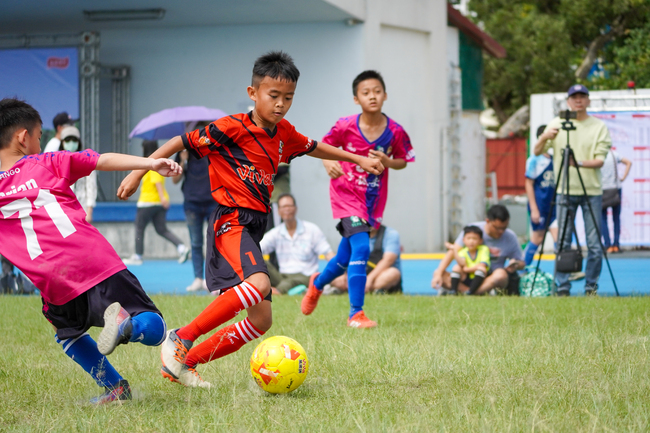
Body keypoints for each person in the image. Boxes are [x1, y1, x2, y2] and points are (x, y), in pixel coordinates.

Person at [116, 51, 384, 388]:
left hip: (256, 224)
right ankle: (179, 338)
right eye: (273, 96)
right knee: (259, 285)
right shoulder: (230, 128)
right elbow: (177, 142)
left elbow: (315, 147)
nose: (281, 104)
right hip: (232, 221)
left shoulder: (284, 133)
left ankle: (186, 363)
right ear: (252, 93)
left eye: (288, 98)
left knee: (261, 321)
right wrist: (139, 171)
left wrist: (356, 158)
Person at [0, 98, 176, 404]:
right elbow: (101, 160)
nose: (41, 143)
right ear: (22, 137)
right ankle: (128, 326)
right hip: (92, 259)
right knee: (155, 325)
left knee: (68, 334)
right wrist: (149, 164)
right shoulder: (46, 162)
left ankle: (116, 389)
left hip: (51, 278)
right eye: (39, 136)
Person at [301, 70, 415, 328]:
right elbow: (323, 147)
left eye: (376, 91)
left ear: (385, 95)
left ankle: (317, 283)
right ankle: (356, 314)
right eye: (365, 93)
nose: (372, 96)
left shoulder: (395, 131)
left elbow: (403, 162)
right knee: (362, 248)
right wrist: (328, 163)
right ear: (356, 99)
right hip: (346, 195)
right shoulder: (345, 125)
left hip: (373, 201)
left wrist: (388, 162)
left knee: (344, 259)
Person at [533, 84, 612, 296]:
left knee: (594, 244)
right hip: (564, 190)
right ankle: (563, 287)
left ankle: (590, 286)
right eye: (574, 97)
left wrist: (577, 164)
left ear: (588, 100)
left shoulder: (598, 127)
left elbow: (599, 161)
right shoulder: (557, 123)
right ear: (568, 101)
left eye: (582, 96)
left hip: (591, 191)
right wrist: (544, 137)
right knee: (563, 242)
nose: (578, 100)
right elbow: (537, 151)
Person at [431, 204, 524, 295]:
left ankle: (470, 293)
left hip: (490, 277)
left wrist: (515, 264)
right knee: (440, 273)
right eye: (497, 228)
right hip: (468, 274)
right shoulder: (473, 230)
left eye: (504, 228)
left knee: (500, 275)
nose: (501, 232)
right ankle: (471, 292)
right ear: (487, 221)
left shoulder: (510, 236)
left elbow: (522, 263)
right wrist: (439, 272)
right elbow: (453, 251)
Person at [123, 140, 189, 265]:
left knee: (139, 227)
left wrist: (162, 197)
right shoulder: (158, 162)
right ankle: (181, 247)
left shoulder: (151, 164)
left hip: (148, 202)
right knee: (161, 229)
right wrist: (163, 198)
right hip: (159, 202)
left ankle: (137, 255)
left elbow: (157, 182)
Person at [260, 193, 334, 294]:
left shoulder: (311, 229)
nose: (287, 209)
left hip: (307, 276)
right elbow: (258, 248)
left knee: (295, 280)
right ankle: (289, 289)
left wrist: (338, 269)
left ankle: (278, 291)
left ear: (295, 208)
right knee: (257, 259)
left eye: (289, 206)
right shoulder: (276, 233)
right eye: (283, 207)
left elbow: (328, 253)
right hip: (283, 276)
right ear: (278, 211)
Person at [172, 134, 218, 292]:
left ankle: (212, 279)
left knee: (214, 242)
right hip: (192, 203)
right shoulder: (184, 150)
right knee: (196, 242)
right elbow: (175, 180)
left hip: (212, 201)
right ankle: (198, 278)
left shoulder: (213, 149)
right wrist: (183, 160)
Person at [327, 224, 403, 295]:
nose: (370, 221)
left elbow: (388, 260)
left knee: (393, 273)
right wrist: (347, 276)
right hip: (355, 275)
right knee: (333, 273)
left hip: (376, 276)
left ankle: (367, 289)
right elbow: (343, 258)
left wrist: (369, 279)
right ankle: (358, 288)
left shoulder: (390, 234)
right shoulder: (351, 235)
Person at [522, 125, 557, 266]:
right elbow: (528, 183)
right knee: (537, 238)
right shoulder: (534, 159)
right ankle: (522, 267)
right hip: (540, 204)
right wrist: (534, 208)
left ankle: (562, 272)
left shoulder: (556, 159)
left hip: (554, 206)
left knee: (559, 238)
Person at [57, 125, 97, 223]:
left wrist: (89, 212)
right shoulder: (56, 162)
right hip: (62, 211)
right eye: (68, 140)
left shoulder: (86, 161)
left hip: (81, 209)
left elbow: (91, 187)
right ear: (62, 142)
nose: (71, 143)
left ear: (79, 142)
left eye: (74, 140)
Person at [600, 149, 632, 253]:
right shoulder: (614, 155)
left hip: (602, 189)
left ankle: (608, 245)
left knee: (603, 218)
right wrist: (623, 178)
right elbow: (629, 162)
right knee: (616, 218)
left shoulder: (598, 156)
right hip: (615, 189)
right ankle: (616, 245)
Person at [445, 225, 491, 295]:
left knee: (482, 269)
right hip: (466, 278)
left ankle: (471, 292)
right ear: (463, 240)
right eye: (468, 238)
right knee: (456, 267)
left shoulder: (484, 249)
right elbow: (462, 264)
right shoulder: (463, 251)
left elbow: (482, 265)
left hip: (479, 279)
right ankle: (453, 291)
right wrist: (454, 250)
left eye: (474, 239)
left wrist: (466, 269)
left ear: (480, 240)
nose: (471, 241)